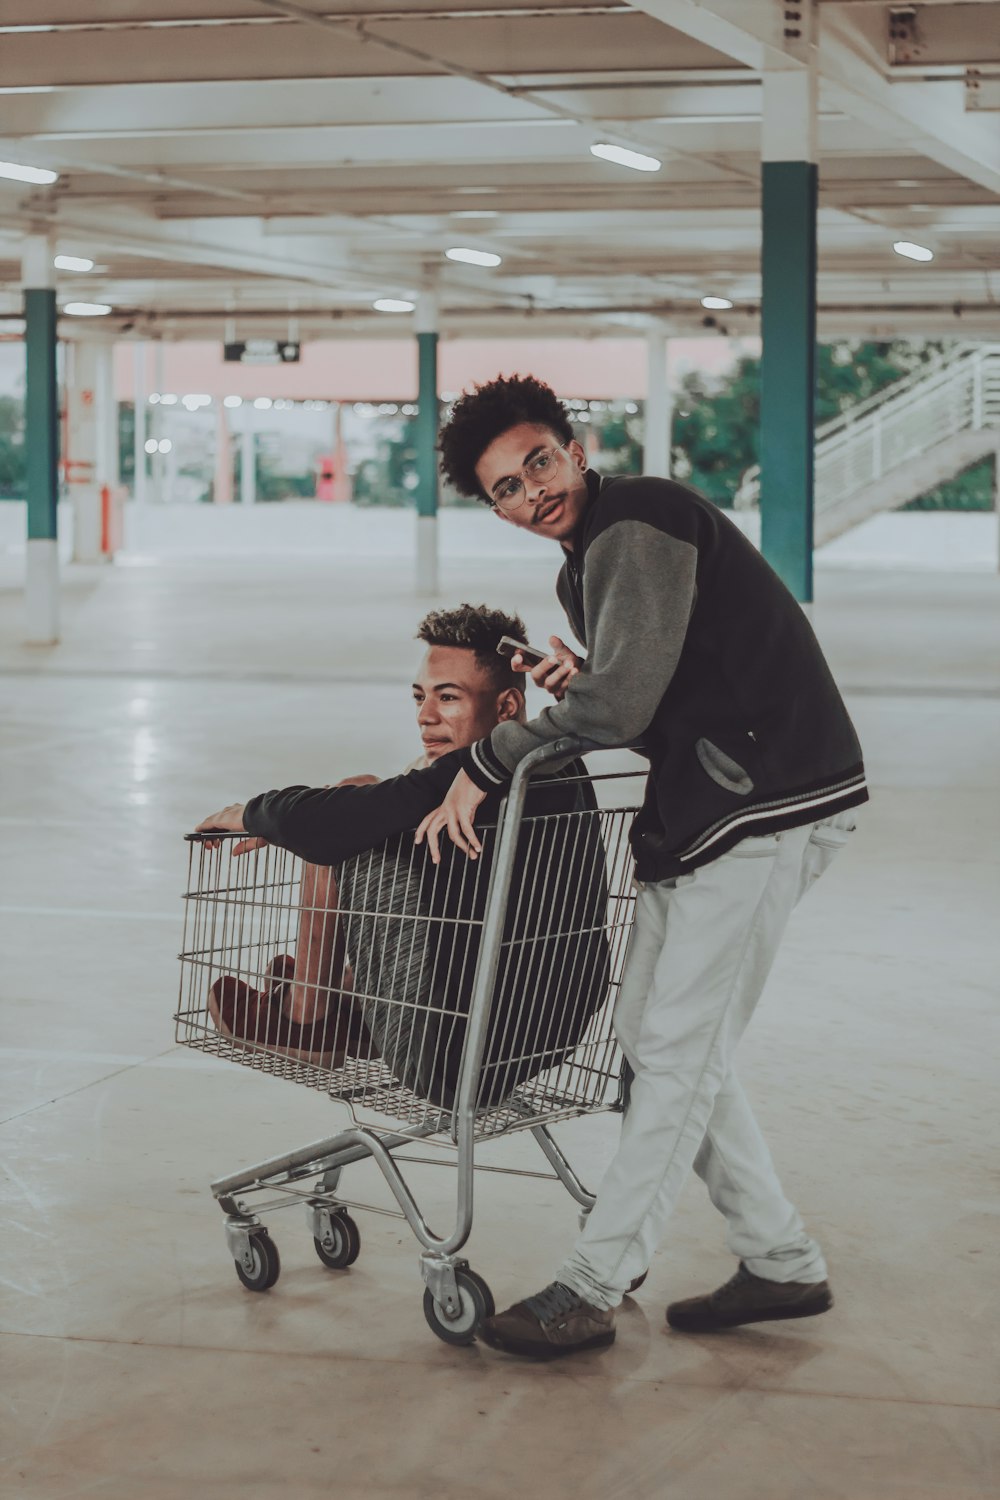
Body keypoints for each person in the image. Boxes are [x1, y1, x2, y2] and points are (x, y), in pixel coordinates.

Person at [416, 374, 869, 1359]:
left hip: (762, 801)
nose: (530, 491)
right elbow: (646, 690)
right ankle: (779, 1259)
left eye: (537, 461)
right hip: (709, 807)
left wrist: (484, 761)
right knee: (660, 1043)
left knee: (673, 1054)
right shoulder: (589, 559)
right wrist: (576, 689)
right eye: (504, 488)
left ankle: (593, 1280)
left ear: (575, 447)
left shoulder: (637, 520)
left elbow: (618, 710)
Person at [197, 602, 610, 1110]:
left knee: (347, 818)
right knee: (366, 804)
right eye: (421, 697)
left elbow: (336, 825)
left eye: (449, 697)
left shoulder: (472, 773)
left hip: (448, 1054)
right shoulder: (561, 765)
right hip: (542, 1034)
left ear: (506, 708)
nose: (425, 716)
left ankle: (307, 1017)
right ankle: (342, 992)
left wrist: (256, 814)